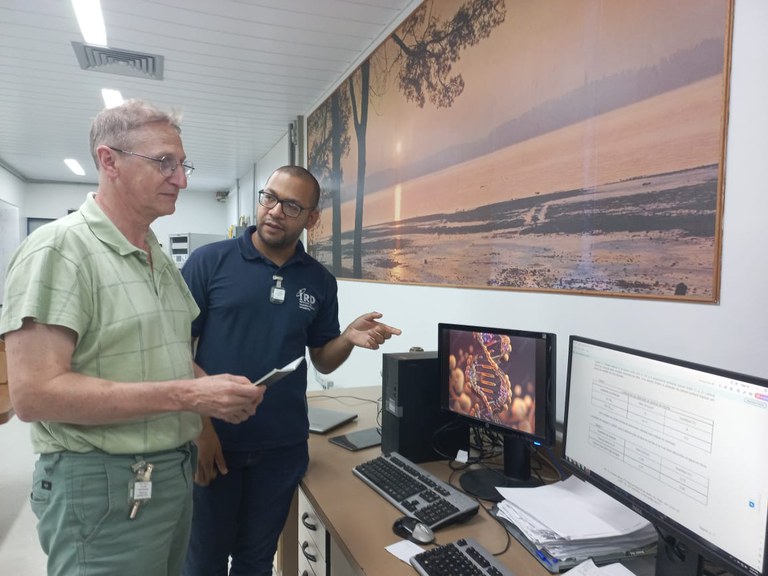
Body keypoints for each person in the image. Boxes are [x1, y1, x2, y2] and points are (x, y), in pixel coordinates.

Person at [0, 99, 266, 576]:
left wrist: (213, 392)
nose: (181, 179)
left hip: (168, 476)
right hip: (102, 485)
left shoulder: (154, 255)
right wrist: (188, 394)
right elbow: (34, 395)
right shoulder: (59, 249)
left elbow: (170, 356)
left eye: (182, 165)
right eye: (164, 162)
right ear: (109, 161)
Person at [181, 165, 401, 575]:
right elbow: (175, 347)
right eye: (269, 198)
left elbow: (321, 357)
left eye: (291, 206)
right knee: (203, 563)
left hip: (281, 448)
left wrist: (347, 338)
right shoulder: (208, 262)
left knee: (256, 561)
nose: (274, 211)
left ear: (311, 219)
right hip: (216, 442)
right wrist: (201, 428)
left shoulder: (317, 280)